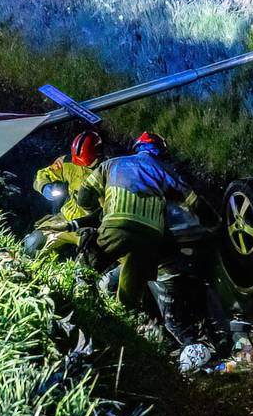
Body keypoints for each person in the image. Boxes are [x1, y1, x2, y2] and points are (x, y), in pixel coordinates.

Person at [73, 131, 200, 340]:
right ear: (160, 152)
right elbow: (195, 202)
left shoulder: (112, 164)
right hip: (151, 240)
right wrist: (217, 225)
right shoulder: (165, 170)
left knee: (84, 268)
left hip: (116, 227)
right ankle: (124, 336)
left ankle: (82, 315)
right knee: (129, 297)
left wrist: (95, 212)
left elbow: (84, 195)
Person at [24, 131, 103, 258]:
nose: (79, 165)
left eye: (84, 163)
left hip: (89, 227)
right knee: (33, 244)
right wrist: (44, 187)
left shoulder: (110, 173)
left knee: (94, 260)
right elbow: (43, 174)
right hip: (65, 217)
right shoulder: (69, 163)